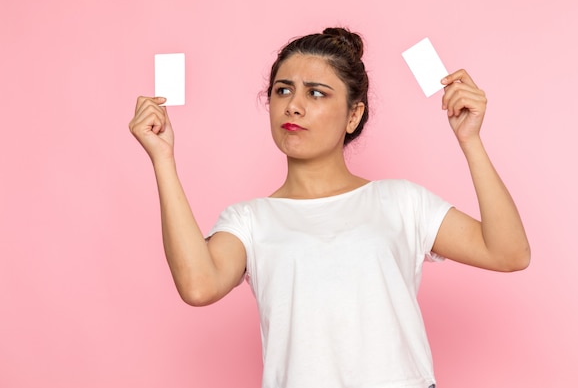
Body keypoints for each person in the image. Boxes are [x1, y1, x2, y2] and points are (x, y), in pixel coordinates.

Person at [129, 27, 530, 388]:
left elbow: (508, 252)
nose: (293, 106)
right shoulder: (249, 220)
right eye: (282, 90)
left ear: (354, 115)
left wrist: (470, 140)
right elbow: (198, 286)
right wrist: (163, 159)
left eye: (316, 92)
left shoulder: (401, 201)